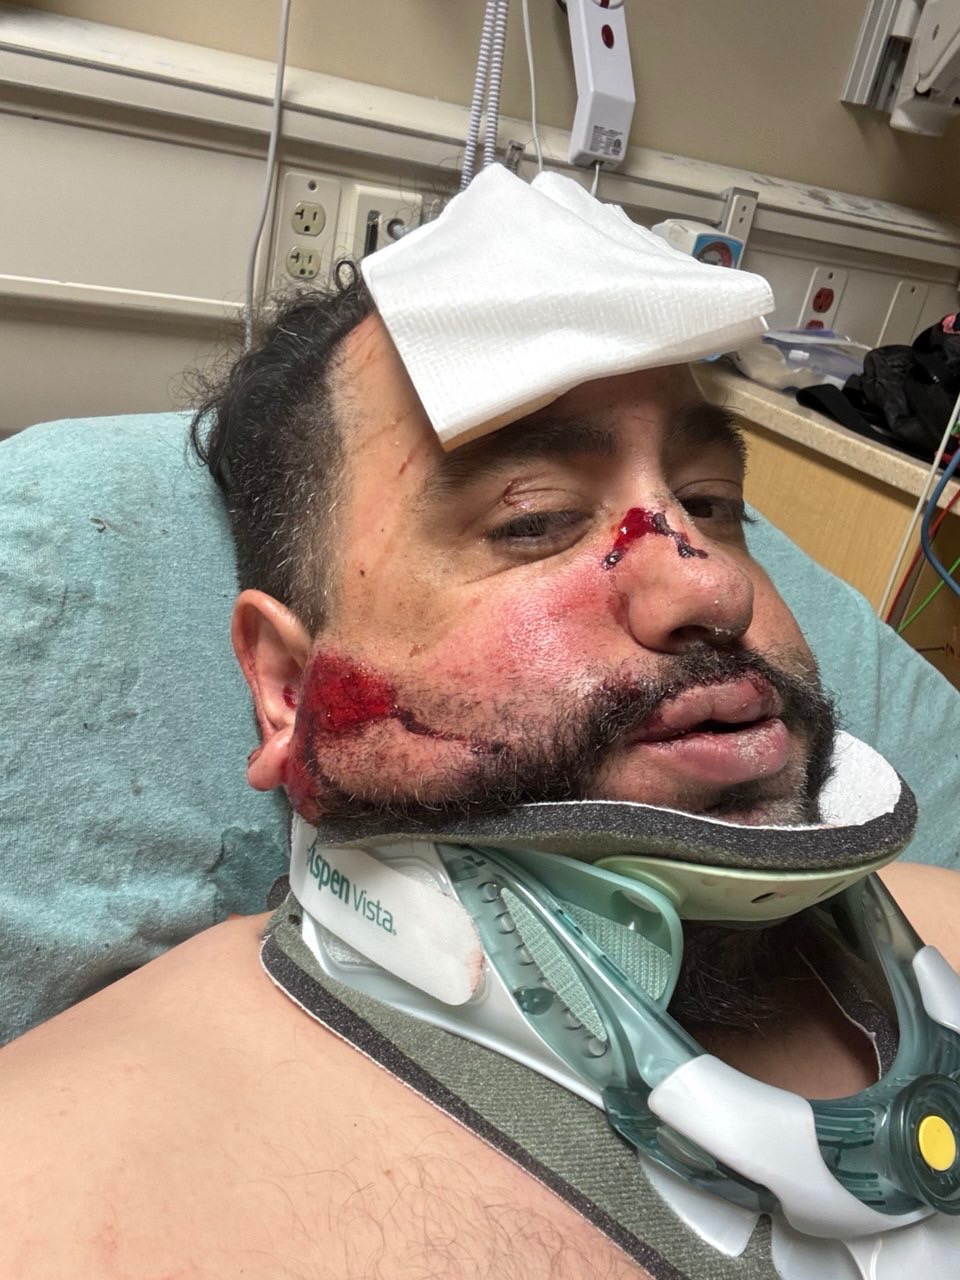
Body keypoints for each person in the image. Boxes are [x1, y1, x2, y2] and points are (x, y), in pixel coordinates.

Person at [2, 187, 960, 1278]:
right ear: (287, 690)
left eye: (711, 502)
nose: (712, 586)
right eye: (534, 518)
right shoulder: (70, 1203)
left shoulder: (944, 913)